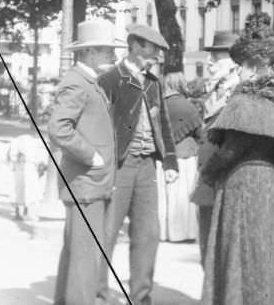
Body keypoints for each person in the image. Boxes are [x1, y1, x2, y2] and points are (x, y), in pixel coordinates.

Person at [200, 13, 274, 305]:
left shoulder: (243, 102)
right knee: (270, 254)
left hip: (244, 186)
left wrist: (208, 174)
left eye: (241, 67)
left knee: (244, 253)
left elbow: (230, 151)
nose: (238, 73)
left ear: (252, 67)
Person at [97, 23, 179, 305]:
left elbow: (164, 123)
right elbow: (98, 126)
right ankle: (98, 296)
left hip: (147, 167)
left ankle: (141, 299)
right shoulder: (110, 79)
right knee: (106, 233)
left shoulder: (154, 83)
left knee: (148, 235)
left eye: (156, 54)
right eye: (149, 52)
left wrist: (170, 162)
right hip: (119, 166)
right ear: (133, 46)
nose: (153, 58)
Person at [49, 19, 120, 305]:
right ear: (88, 53)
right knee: (85, 255)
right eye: (106, 51)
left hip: (88, 182)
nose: (113, 57)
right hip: (85, 183)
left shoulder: (89, 81)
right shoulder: (77, 83)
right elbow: (59, 128)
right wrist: (91, 155)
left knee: (77, 250)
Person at [190, 31, 240, 263]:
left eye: (216, 57)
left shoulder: (240, 93)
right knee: (207, 246)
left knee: (223, 249)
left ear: (233, 62)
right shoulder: (214, 90)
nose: (209, 62)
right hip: (208, 181)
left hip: (226, 183)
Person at [157, 71, 205, 242]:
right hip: (186, 157)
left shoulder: (159, 105)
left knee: (165, 197)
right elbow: (201, 133)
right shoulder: (188, 106)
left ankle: (164, 232)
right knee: (183, 198)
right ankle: (184, 233)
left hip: (164, 156)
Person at [7, 119, 49, 223]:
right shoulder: (18, 140)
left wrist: (40, 165)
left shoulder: (36, 142)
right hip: (20, 167)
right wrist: (17, 158)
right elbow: (12, 155)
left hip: (29, 168)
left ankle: (26, 211)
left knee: (29, 190)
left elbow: (41, 156)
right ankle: (18, 212)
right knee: (19, 189)